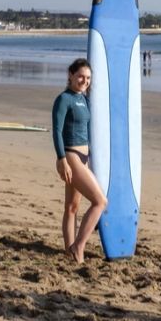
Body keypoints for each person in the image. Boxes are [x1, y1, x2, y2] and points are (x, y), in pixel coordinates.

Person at [51, 59, 107, 264]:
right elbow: (56, 131)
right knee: (100, 202)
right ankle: (79, 245)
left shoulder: (84, 99)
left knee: (72, 207)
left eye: (88, 78)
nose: (85, 80)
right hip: (72, 156)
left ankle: (69, 250)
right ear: (71, 75)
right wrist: (61, 159)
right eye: (81, 76)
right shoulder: (63, 99)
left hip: (84, 157)